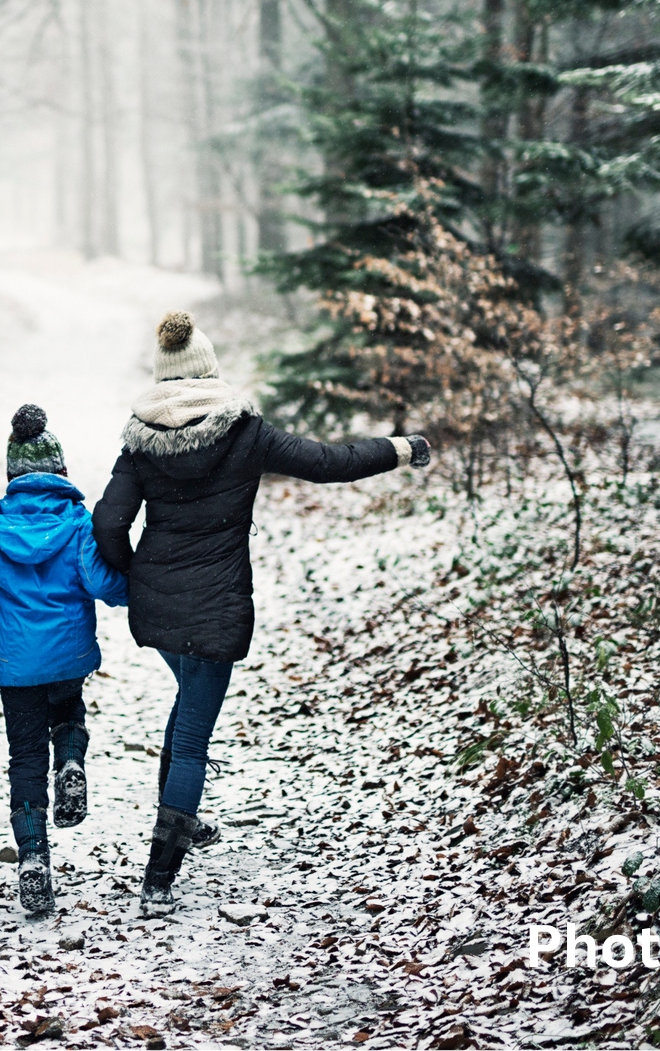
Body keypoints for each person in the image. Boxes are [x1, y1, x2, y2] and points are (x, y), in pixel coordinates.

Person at [93, 311, 430, 916]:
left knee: (186, 702)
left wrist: (129, 573)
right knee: (194, 734)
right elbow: (330, 463)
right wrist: (400, 448)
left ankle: (181, 820)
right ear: (209, 370)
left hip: (158, 603)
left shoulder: (139, 440)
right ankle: (160, 875)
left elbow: (108, 522)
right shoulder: (245, 433)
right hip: (217, 605)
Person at [0, 405, 126, 916]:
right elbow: (103, 583)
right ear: (61, 472)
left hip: (17, 663)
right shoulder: (78, 523)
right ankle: (70, 762)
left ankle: (34, 857)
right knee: (68, 713)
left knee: (23, 757)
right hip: (69, 656)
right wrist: (140, 586)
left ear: (12, 475)